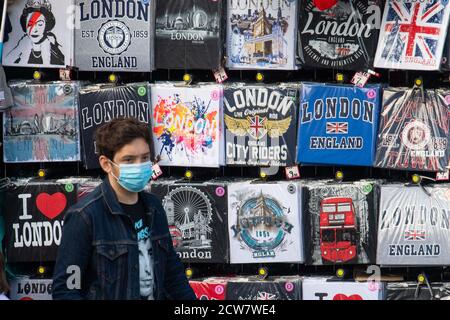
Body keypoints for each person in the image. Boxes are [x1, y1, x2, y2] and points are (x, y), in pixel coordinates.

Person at [52, 118, 196, 300]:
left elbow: (173, 275)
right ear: (106, 164)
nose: (139, 166)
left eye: (145, 158)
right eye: (128, 160)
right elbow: (66, 290)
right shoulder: (85, 217)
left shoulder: (154, 207)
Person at [5, 0, 65, 65]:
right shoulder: (17, 52)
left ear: (47, 26)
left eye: (40, 24)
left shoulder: (56, 54)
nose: (34, 30)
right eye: (30, 24)